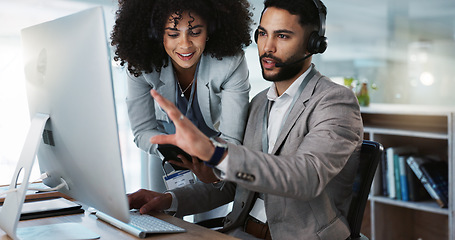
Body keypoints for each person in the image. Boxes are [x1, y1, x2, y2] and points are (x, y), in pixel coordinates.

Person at [128, 0, 364, 239]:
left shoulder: (335, 101)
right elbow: (234, 186)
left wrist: (216, 154)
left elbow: (306, 178)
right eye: (262, 33)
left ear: (313, 43)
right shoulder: (260, 103)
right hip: (239, 232)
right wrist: (167, 200)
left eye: (282, 36)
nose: (267, 47)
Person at [110, 0, 253, 185]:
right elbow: (142, 131)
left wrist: (212, 159)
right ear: (156, 34)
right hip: (165, 145)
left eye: (195, 32)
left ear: (209, 30)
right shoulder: (141, 65)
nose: (185, 45)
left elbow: (232, 138)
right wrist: (173, 147)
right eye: (173, 34)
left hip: (214, 145)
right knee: (161, 209)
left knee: (210, 209)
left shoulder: (231, 63)